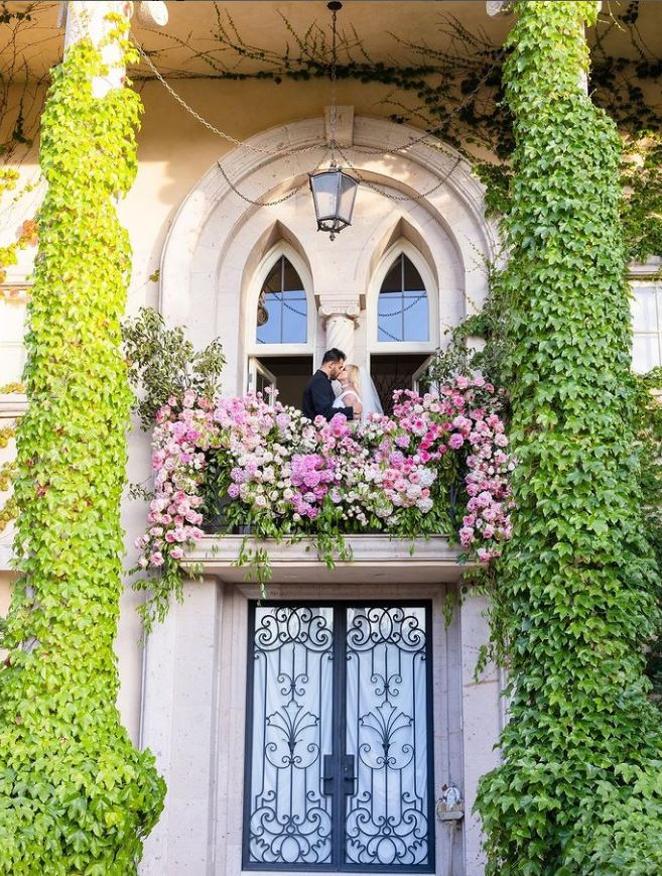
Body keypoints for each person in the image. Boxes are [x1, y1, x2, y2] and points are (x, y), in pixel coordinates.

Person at [302, 348, 359, 421]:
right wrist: (351, 410)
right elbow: (325, 412)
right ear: (331, 365)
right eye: (340, 367)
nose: (340, 371)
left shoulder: (320, 379)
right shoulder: (320, 381)